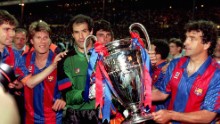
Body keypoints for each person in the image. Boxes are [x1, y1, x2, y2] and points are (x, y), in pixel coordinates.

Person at [151, 20, 220, 123]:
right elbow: (162, 93)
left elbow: (208, 115)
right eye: (186, 38)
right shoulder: (175, 64)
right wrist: (136, 97)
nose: (185, 43)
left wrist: (171, 115)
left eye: (192, 39)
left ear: (206, 45)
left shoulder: (216, 74)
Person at [16, 20, 72, 124]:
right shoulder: (23, 60)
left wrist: (64, 99)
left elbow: (70, 88)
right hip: (29, 119)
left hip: (53, 119)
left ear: (50, 40)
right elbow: (26, 84)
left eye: (46, 37)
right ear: (32, 41)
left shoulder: (60, 61)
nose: (42, 42)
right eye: (38, 38)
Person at [62, 14, 102, 124]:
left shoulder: (103, 56)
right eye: (76, 32)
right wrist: (87, 93)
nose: (81, 36)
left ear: (91, 31)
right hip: (75, 116)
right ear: (72, 34)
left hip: (100, 114)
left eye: (84, 31)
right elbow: (67, 95)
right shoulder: (64, 60)